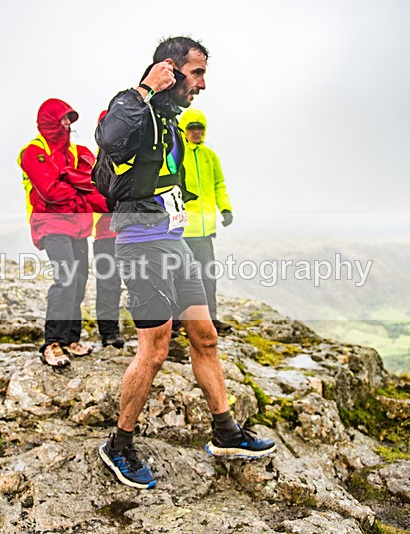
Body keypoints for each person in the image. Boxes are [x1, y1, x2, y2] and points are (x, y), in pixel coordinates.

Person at [94, 37, 276, 490]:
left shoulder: (172, 123)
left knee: (205, 336)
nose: (202, 84)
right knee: (154, 350)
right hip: (141, 245)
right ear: (170, 70)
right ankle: (119, 444)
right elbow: (109, 137)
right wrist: (143, 88)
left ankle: (226, 432)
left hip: (175, 243)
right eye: (196, 73)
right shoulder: (131, 106)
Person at [18, 98, 98, 367]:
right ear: (50, 121)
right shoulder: (33, 152)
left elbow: (92, 182)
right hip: (51, 223)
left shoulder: (74, 152)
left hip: (78, 225)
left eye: (70, 119)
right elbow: (49, 191)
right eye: (64, 119)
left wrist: (69, 178)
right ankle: (51, 343)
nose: (68, 124)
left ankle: (69, 339)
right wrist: (77, 186)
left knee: (79, 280)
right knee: (65, 278)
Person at [179, 108, 234, 335]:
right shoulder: (177, 154)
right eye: (192, 128)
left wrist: (226, 208)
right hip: (181, 230)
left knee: (207, 277)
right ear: (184, 130)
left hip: (205, 230)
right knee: (180, 277)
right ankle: (177, 322)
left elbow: (219, 184)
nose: (196, 132)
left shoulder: (210, 156)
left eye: (200, 128)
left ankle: (210, 319)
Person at [92, 110, 126, 349]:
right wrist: (115, 201)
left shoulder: (134, 156)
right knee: (109, 283)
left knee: (139, 282)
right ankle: (109, 332)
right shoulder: (95, 162)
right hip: (106, 233)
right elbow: (93, 196)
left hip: (131, 232)